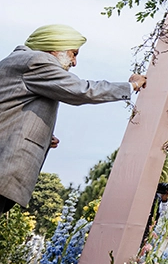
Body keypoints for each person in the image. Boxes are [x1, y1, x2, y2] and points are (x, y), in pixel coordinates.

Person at [0, 24, 147, 213]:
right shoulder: (36, 61)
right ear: (54, 48)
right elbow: (80, 90)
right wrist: (131, 86)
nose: (75, 62)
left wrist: (43, 135)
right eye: (73, 54)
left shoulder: (19, 61)